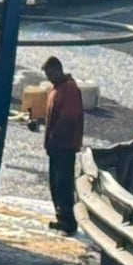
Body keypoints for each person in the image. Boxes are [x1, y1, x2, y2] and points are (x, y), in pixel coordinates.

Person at [42, 55, 84, 235]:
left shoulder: (69, 90)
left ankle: (68, 220)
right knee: (56, 182)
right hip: (57, 146)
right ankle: (61, 217)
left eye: (50, 74)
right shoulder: (57, 89)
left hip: (64, 146)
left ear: (57, 70)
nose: (49, 78)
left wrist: (55, 138)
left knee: (63, 183)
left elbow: (68, 118)